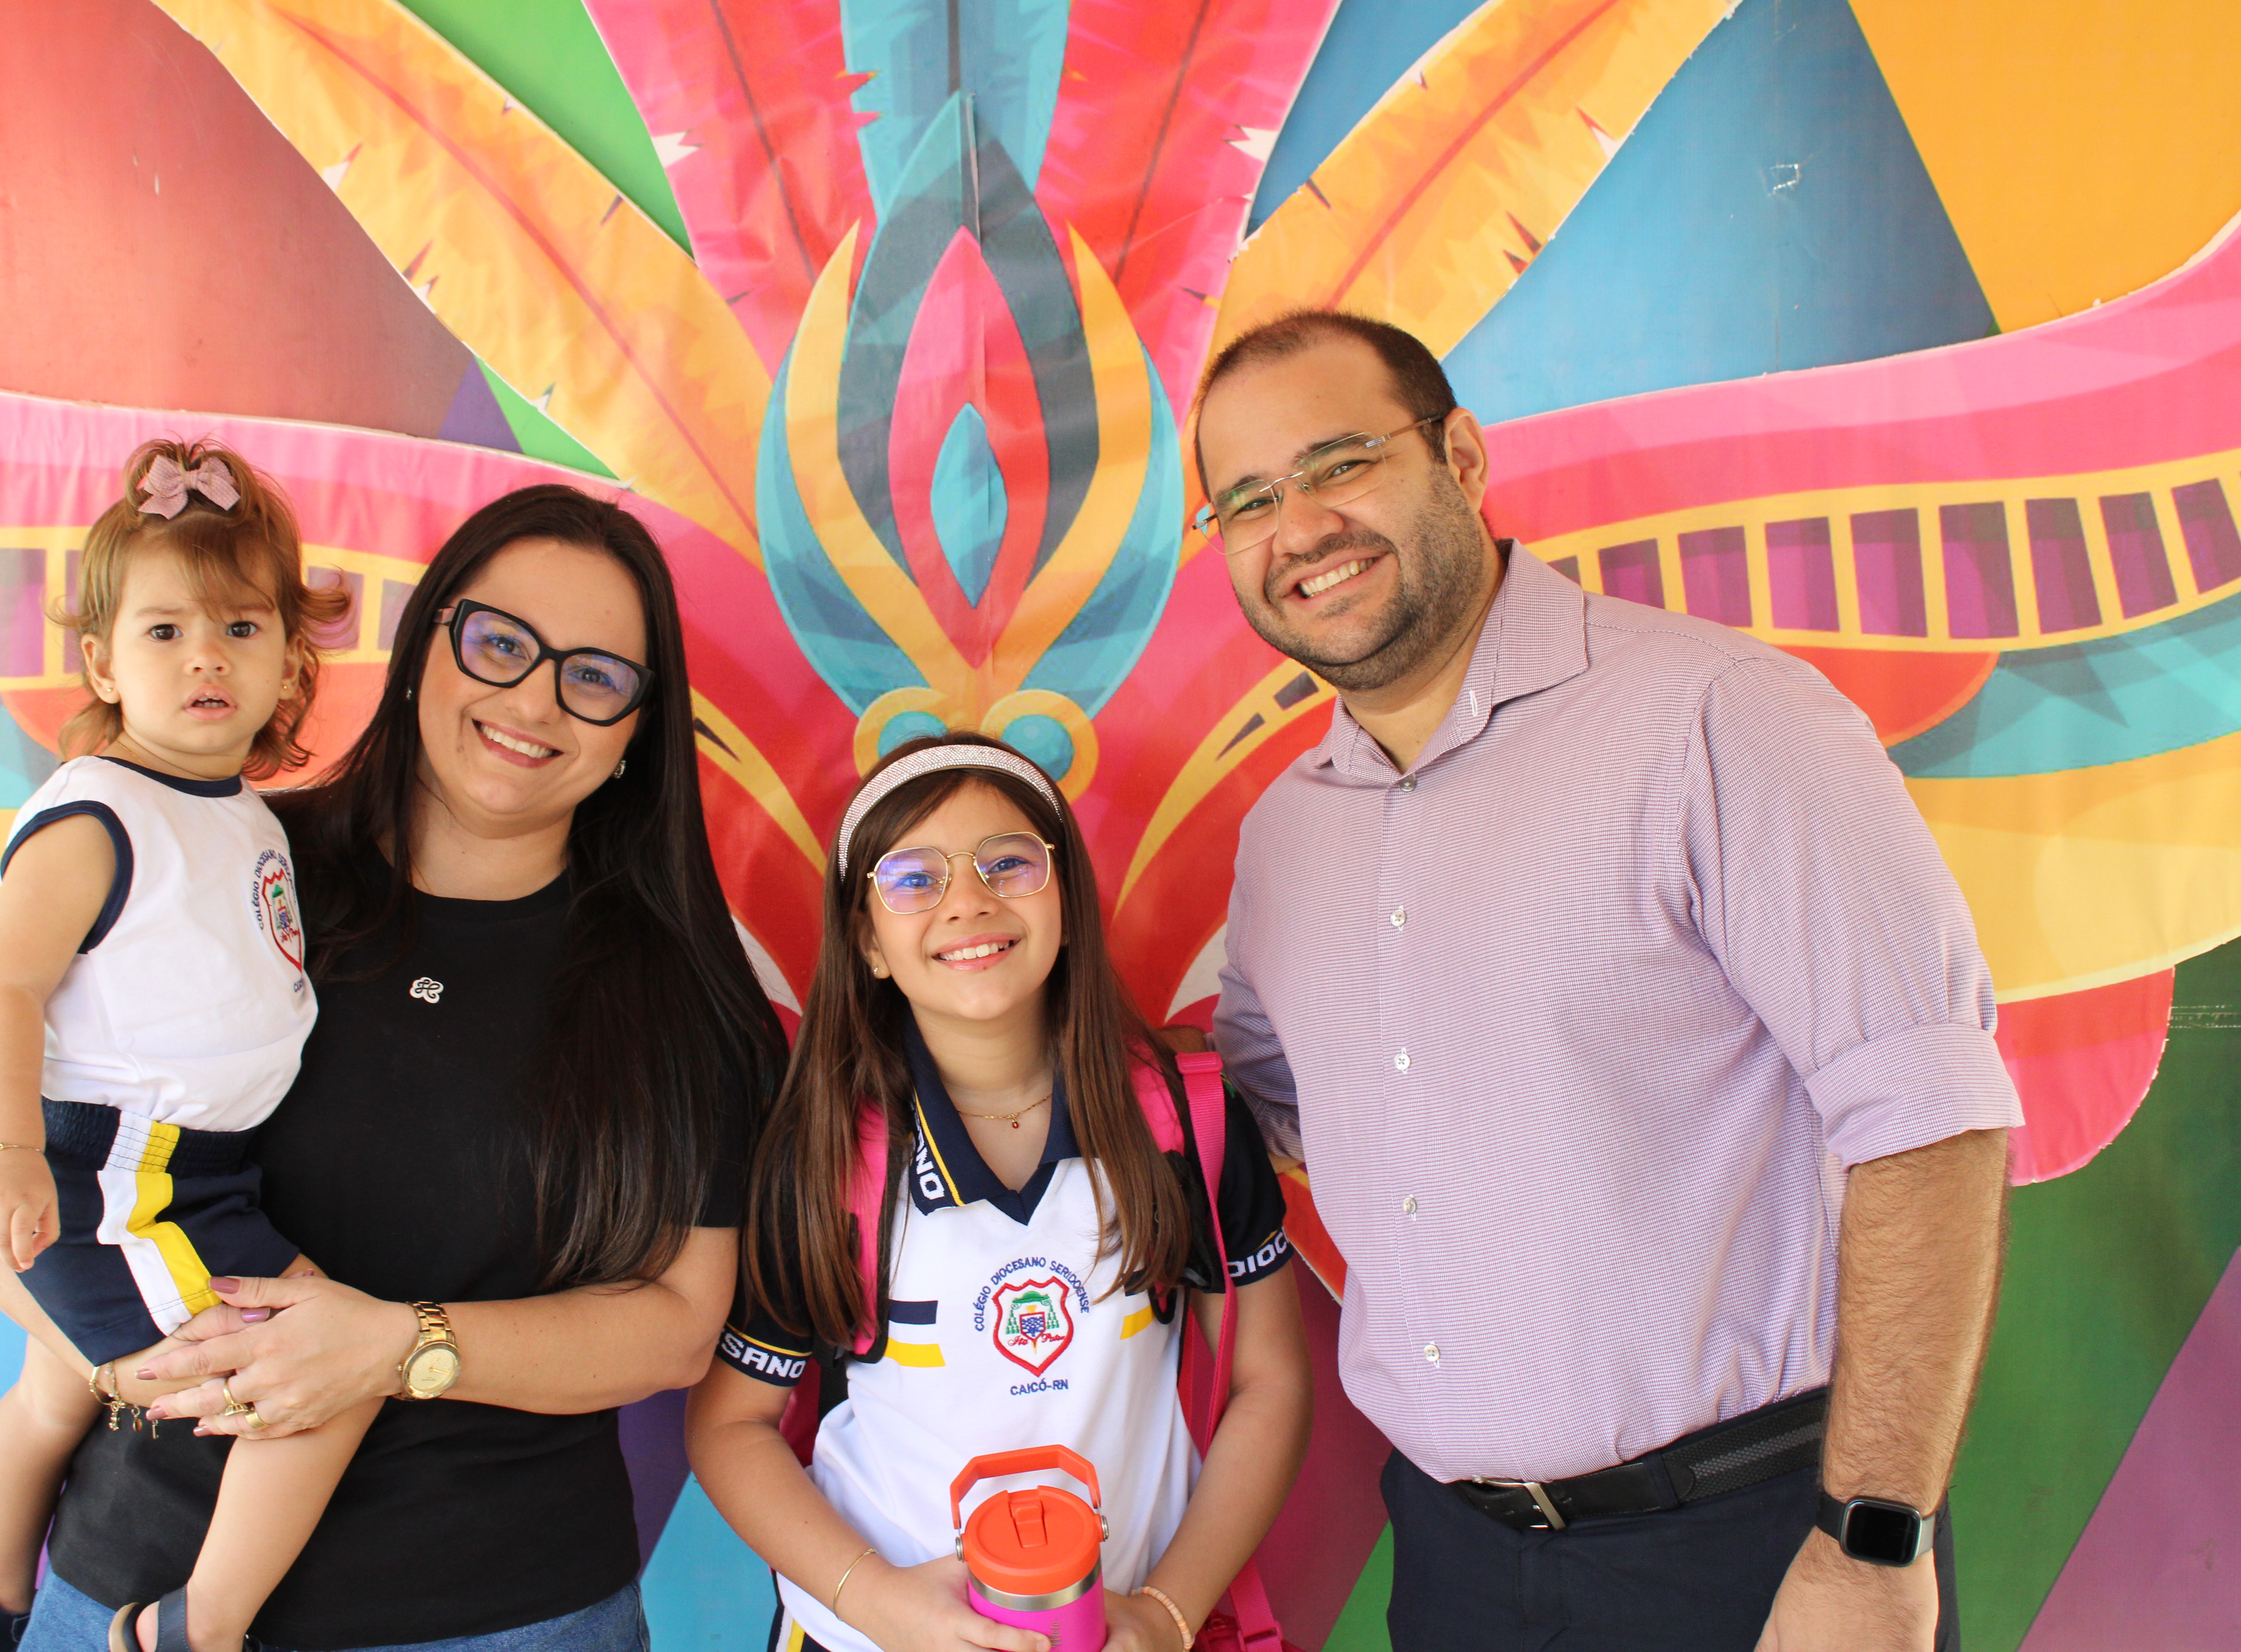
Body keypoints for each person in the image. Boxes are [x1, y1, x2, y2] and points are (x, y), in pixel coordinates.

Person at [1191, 311, 2020, 1652]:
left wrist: (1873, 1544)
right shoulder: (1286, 837)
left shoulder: (1719, 717)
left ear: (1461, 457)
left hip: (1750, 1552)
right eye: (1248, 501)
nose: (1301, 527)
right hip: (1456, 1566)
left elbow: (1931, 1125)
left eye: (1342, 463)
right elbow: (1250, 1108)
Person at [0, 483, 784, 1651]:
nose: (534, 698)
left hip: (503, 1614)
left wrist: (398, 1347)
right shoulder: (232, 860)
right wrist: (131, 1364)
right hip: (131, 1588)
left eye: (594, 675)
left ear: (640, 725)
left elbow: (675, 1323)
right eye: (500, 643)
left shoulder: (681, 991)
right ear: (424, 647)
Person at [685, 734, 1312, 1652]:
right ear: (867, 941)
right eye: (913, 879)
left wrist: (1167, 1613)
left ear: (1067, 900)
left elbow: (1271, 1381)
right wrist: (879, 1603)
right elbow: (731, 1425)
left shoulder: (1189, 1119)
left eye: (1007, 863)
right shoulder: (819, 1158)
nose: (967, 901)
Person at [0, 438, 359, 1652]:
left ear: (291, 659)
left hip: (195, 1173)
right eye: (165, 631)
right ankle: (198, 1624)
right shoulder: (97, 810)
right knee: (318, 1376)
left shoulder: (244, 815)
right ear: (103, 662)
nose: (206, 656)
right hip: (125, 1177)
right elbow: (7, 987)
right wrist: (7, 1149)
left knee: (53, 1384)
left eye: (241, 628)